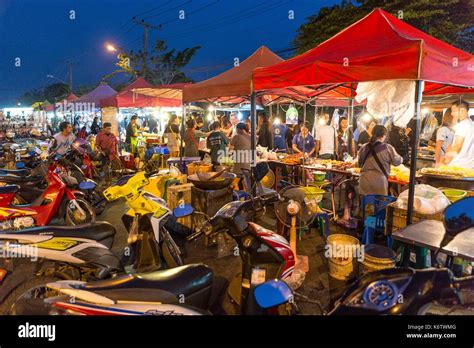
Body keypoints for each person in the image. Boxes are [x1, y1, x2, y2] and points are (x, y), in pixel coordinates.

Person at [358, 125, 403, 196]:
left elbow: (359, 163)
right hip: (379, 182)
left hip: (364, 180)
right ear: (383, 135)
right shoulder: (387, 147)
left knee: (366, 205)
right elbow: (397, 162)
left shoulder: (363, 147)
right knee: (379, 205)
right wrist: (401, 157)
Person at [443, 100, 473, 168]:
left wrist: (447, 160)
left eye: (453, 111)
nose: (451, 113)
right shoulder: (471, 124)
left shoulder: (463, 125)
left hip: (458, 165)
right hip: (469, 165)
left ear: (462, 110)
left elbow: (457, 146)